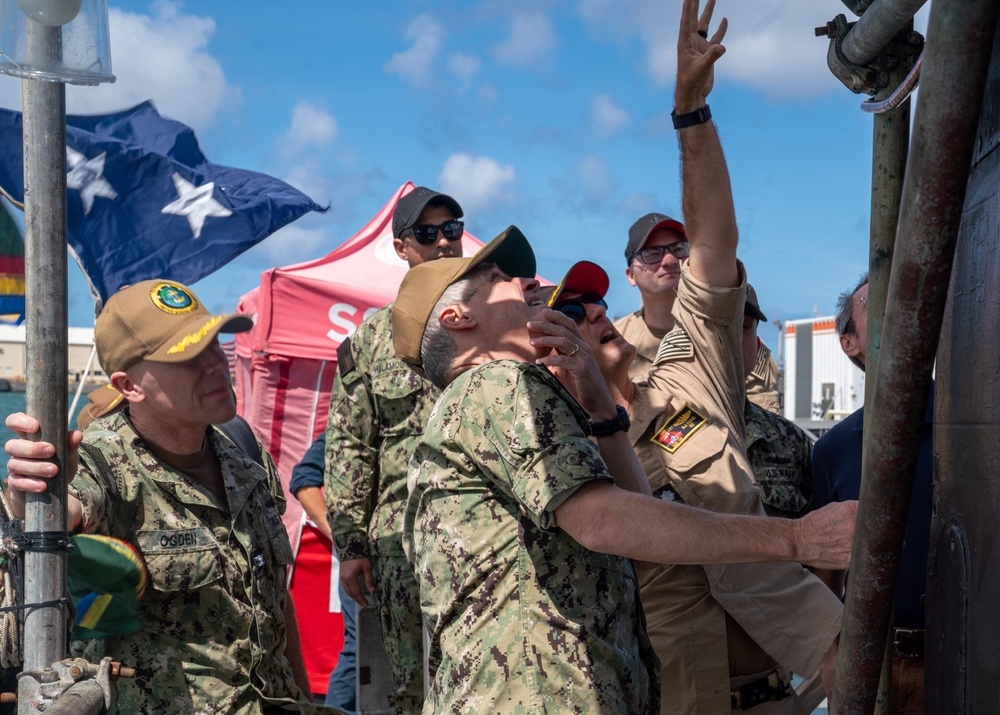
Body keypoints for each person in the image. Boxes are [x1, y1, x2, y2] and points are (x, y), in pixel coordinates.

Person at [551, 6, 841, 710]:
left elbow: (714, 241)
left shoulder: (691, 367)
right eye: (573, 313)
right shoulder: (559, 436)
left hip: (792, 685)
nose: (593, 316)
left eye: (594, 303)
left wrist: (690, 113)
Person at [4, 280, 324, 714]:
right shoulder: (105, 461)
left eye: (214, 344)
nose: (215, 364)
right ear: (128, 385)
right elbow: (62, 514)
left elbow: (274, 601)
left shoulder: (243, 457)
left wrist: (302, 699)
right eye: (188, 356)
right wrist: (34, 490)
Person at [324, 186, 465, 714]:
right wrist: (352, 545)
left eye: (452, 228)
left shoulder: (497, 321)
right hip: (400, 546)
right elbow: (349, 446)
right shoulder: (369, 342)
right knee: (410, 685)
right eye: (427, 234)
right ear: (402, 248)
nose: (444, 242)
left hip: (486, 539)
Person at [812, 273, 933, 715]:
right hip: (873, 666)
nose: (897, 312)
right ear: (849, 342)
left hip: (964, 662)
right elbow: (826, 575)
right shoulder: (832, 451)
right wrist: (832, 657)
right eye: (877, 304)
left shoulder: (972, 436)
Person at [289, 435, 357, 712]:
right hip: (372, 559)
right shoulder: (358, 410)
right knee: (359, 652)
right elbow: (304, 480)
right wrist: (345, 539)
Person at [742, 285, 813, 519]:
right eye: (716, 327)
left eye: (743, 328)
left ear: (758, 345)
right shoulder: (655, 431)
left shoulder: (791, 442)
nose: (729, 339)